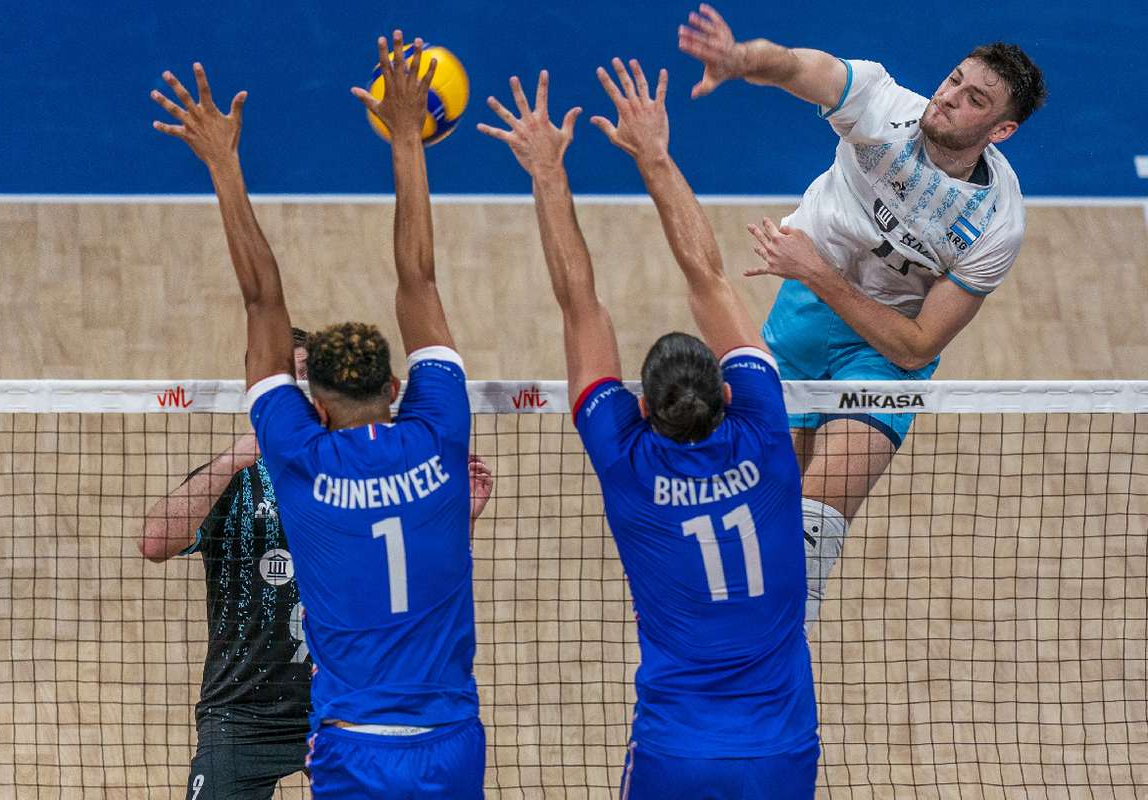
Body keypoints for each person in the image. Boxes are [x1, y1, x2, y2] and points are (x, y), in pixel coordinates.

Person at [151, 35, 484, 798]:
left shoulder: (300, 458)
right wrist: (408, 137)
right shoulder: (439, 435)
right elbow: (419, 279)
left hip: (354, 747)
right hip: (450, 742)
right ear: (396, 388)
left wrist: (224, 165)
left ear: (317, 404)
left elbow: (262, 299)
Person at [479, 61, 818, 799]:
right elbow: (709, 279)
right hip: (782, 750)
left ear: (641, 410)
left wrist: (548, 174)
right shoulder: (764, 430)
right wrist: (655, 156)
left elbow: (580, 306)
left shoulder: (626, 459)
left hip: (676, 751)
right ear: (728, 392)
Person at [678, 4, 1047, 626]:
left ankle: (778, 666)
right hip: (801, 321)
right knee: (755, 518)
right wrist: (742, 59)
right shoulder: (881, 106)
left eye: (975, 99)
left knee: (808, 536)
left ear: (1001, 130)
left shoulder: (995, 225)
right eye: (954, 79)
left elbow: (916, 347)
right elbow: (795, 67)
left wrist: (817, 272)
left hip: (882, 350)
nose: (949, 96)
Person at [138, 333, 494, 800]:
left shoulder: (369, 469)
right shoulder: (235, 478)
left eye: (304, 377)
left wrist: (461, 520)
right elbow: (154, 543)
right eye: (284, 379)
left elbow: (418, 578)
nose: (296, 392)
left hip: (347, 707)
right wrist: (234, 458)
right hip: (243, 712)